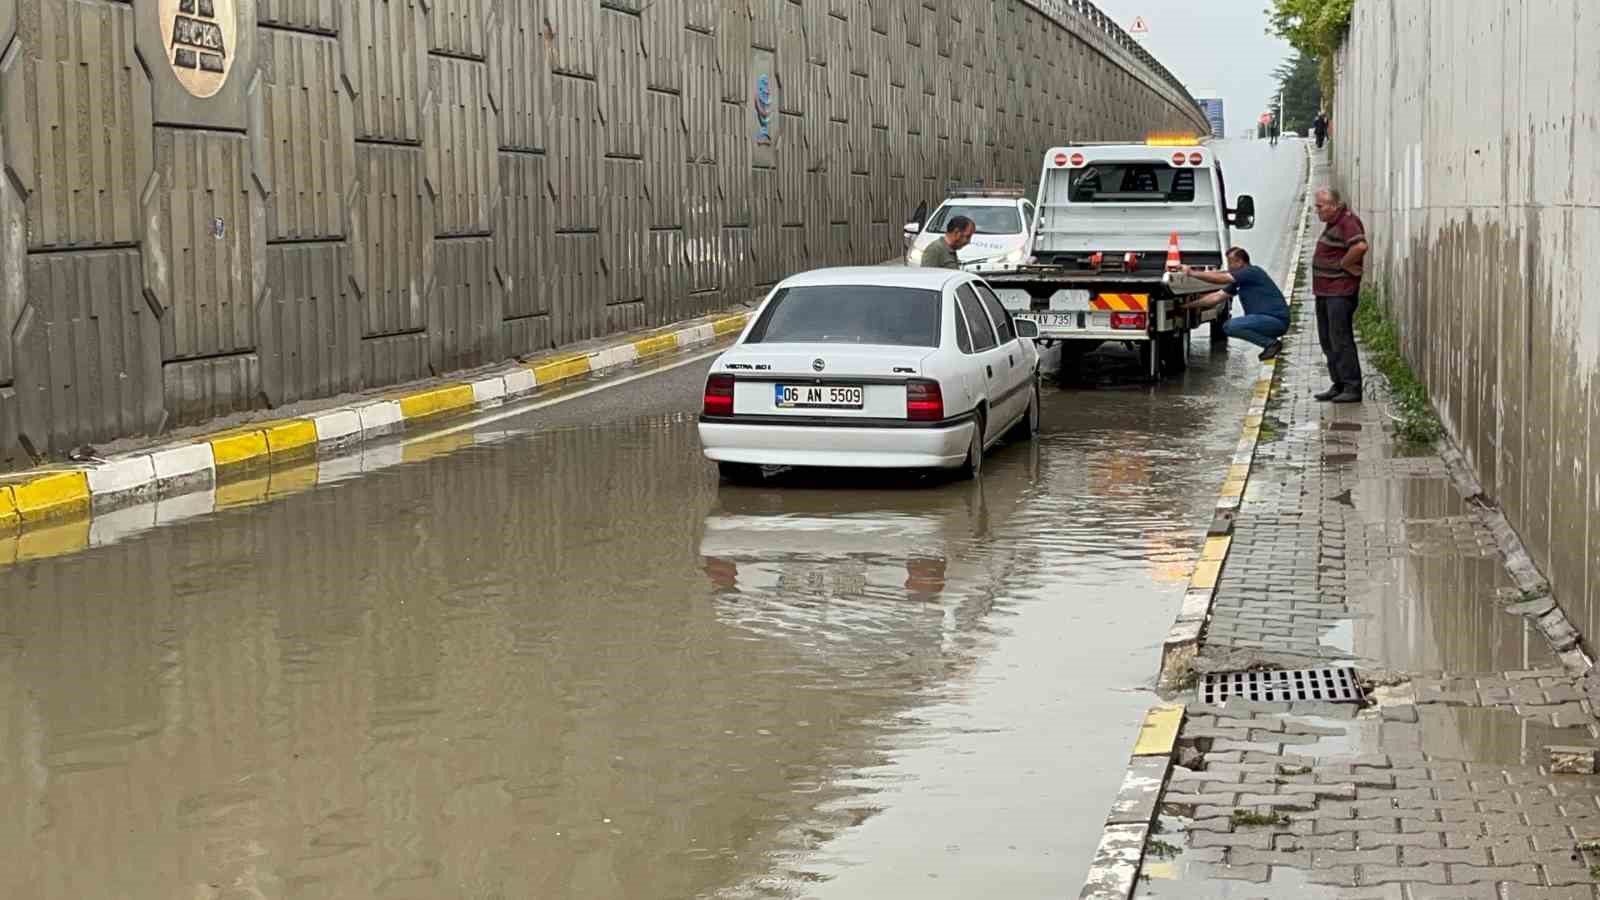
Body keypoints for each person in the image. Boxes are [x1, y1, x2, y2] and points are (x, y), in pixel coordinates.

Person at [1179, 247, 1290, 361]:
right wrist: (1187, 306)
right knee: (1229, 326)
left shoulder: (1251, 272)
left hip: (1275, 320)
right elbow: (1215, 297)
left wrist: (1191, 273)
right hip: (1266, 321)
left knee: (1231, 326)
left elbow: (1221, 279)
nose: (1228, 267)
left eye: (1230, 263)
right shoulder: (1240, 281)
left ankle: (1271, 344)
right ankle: (1270, 342)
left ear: (1240, 262)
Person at [1311, 188, 1369, 403]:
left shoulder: (1348, 221)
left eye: (1320, 206)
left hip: (1339, 292)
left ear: (1334, 205)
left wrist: (1345, 263)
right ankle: (1339, 383)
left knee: (1340, 339)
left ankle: (1352, 387)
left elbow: (1361, 246)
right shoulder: (1334, 223)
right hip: (1325, 291)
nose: (1317, 210)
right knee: (1327, 339)